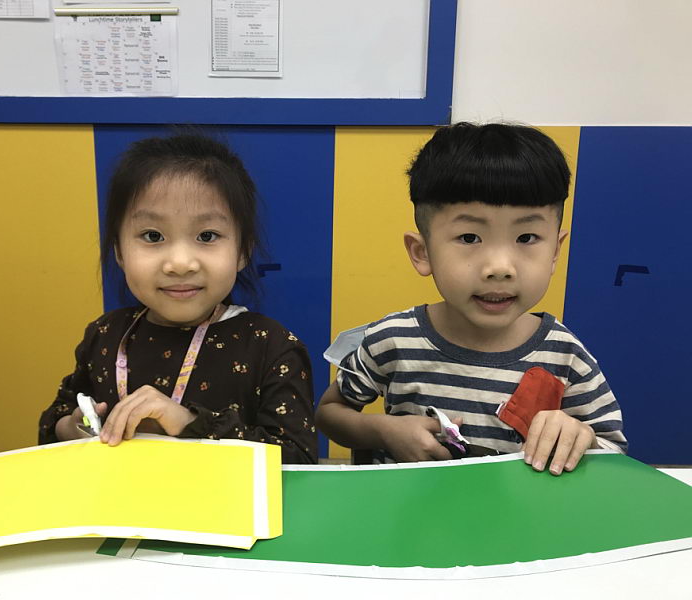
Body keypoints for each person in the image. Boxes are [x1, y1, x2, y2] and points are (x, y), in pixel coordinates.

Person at [316, 122, 626, 475]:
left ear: (555, 251)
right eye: (469, 238)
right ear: (422, 252)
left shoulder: (566, 356)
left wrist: (580, 437)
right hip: (410, 508)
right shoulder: (391, 340)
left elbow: (613, 453)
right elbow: (329, 414)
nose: (500, 268)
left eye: (526, 237)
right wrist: (384, 431)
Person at [39, 134, 317, 464]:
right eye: (153, 236)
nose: (180, 263)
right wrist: (73, 427)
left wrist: (188, 423)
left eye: (207, 236)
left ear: (243, 251)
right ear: (119, 252)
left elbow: (297, 460)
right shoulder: (104, 334)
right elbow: (56, 419)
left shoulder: (271, 346)